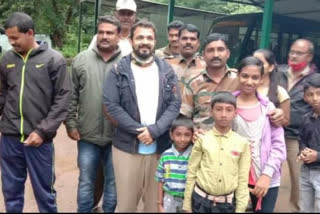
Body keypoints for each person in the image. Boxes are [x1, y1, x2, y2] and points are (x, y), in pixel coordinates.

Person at [103, 19, 181, 212]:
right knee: (127, 205)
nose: (144, 42)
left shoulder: (166, 70)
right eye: (140, 37)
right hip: (127, 148)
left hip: (160, 149)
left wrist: (155, 130)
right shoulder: (117, 70)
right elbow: (111, 105)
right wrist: (140, 131)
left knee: (154, 205)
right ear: (131, 40)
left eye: (149, 38)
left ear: (154, 41)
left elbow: (175, 103)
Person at [0, 12, 71, 212]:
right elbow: (3, 94)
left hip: (39, 140)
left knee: (44, 193)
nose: (11, 42)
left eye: (15, 37)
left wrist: (42, 131)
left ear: (30, 33)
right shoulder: (7, 59)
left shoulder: (53, 60)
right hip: (10, 139)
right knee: (11, 192)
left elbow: (63, 99)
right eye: (8, 38)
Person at [64, 16, 123, 212]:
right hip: (87, 135)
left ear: (119, 36)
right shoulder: (81, 59)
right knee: (86, 181)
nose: (104, 36)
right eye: (101, 32)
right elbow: (71, 95)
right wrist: (70, 123)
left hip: (117, 137)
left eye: (110, 33)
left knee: (113, 183)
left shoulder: (127, 63)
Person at [232, 56, 287, 212]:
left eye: (255, 77)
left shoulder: (268, 109)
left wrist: (266, 175)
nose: (249, 82)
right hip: (235, 179)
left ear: (262, 80)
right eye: (245, 76)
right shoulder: (228, 106)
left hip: (266, 180)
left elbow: (278, 146)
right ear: (238, 75)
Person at [183, 91, 251, 213]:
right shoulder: (202, 140)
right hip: (200, 202)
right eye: (219, 109)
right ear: (211, 112)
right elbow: (191, 172)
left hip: (227, 205)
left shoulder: (242, 144)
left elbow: (242, 179)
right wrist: (187, 205)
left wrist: (240, 209)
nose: (224, 114)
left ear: (235, 113)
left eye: (229, 110)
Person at [277, 38, 319, 212]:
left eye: (299, 53)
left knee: (298, 178)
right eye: (292, 52)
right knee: (275, 176)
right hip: (275, 131)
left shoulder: (314, 79)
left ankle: (295, 209)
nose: (293, 56)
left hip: (297, 135)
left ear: (309, 56)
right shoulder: (279, 72)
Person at [181, 33, 238, 132]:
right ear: (203, 55)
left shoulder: (239, 79)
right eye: (210, 50)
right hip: (201, 142)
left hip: (233, 143)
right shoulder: (193, 83)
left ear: (228, 53)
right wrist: (193, 132)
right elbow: (184, 117)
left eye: (220, 50)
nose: (216, 55)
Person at [155, 116, 193, 213]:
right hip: (169, 199)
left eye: (187, 135)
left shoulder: (194, 156)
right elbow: (160, 180)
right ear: (171, 135)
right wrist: (159, 204)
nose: (182, 139)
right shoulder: (166, 156)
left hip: (188, 200)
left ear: (192, 136)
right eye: (178, 134)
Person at [297, 73, 320, 213]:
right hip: (306, 171)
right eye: (310, 94)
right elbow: (302, 140)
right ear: (305, 97)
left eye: (318, 93)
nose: (315, 98)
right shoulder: (306, 118)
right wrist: (303, 151)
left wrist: (317, 156)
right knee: (305, 208)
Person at [253, 49, 290, 126]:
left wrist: (278, 117)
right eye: (253, 62)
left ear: (271, 67)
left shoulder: (279, 91)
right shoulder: (245, 87)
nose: (256, 66)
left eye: (260, 63)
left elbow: (286, 121)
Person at [166, 24, 206, 92]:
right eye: (184, 38)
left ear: (198, 43)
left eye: (192, 39)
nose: (188, 42)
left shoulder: (207, 66)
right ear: (178, 41)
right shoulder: (166, 64)